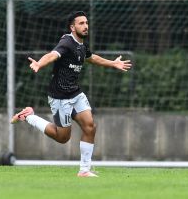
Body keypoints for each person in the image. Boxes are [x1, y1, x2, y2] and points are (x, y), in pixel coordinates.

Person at [11, 11, 132, 177]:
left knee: (90, 126)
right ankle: (28, 116)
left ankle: (84, 170)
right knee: (62, 138)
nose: (86, 26)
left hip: (75, 93)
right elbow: (53, 55)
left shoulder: (81, 45)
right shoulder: (67, 42)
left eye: (86, 22)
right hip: (60, 97)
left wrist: (113, 64)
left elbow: (91, 57)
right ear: (72, 27)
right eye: (81, 23)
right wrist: (39, 63)